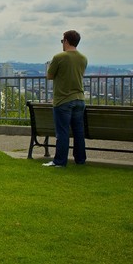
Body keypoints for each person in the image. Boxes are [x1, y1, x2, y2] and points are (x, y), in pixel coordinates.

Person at [43, 30, 88, 167]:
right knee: (78, 132)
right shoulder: (83, 58)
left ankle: (60, 161)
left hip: (63, 100)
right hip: (79, 99)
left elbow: (49, 75)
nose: (62, 43)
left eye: (63, 41)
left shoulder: (59, 57)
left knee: (62, 132)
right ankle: (80, 160)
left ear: (67, 41)